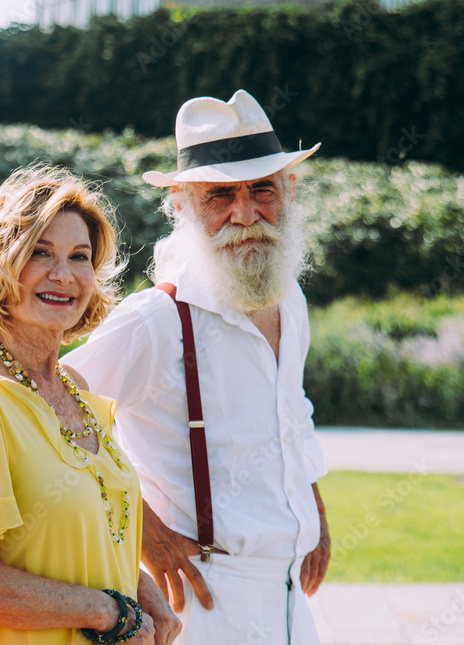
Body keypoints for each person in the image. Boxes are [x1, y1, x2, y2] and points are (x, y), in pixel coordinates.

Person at [65, 90, 331, 644]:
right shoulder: (156, 320)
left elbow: (291, 414)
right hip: (201, 601)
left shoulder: (290, 299)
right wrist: (143, 531)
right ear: (182, 205)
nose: (245, 214)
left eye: (262, 189)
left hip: (288, 598)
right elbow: (47, 412)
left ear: (289, 189)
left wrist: (315, 511)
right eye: (220, 196)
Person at [0, 165, 182, 645]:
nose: (63, 275)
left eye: (79, 257)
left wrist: (141, 589)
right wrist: (107, 612)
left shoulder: (73, 385)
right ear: (1, 262)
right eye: (40, 253)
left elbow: (88, 530)